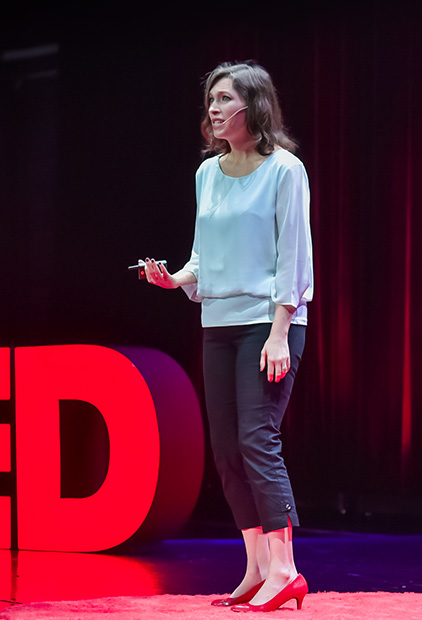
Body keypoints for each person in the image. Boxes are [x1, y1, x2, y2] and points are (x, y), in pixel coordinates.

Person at [141, 61, 313, 612]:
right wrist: (175, 278)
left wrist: (281, 331)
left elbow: (294, 258)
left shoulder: (285, 169)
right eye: (211, 100)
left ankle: (285, 570)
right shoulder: (207, 173)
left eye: (224, 99)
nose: (213, 109)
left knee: (257, 440)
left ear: (252, 106)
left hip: (268, 322)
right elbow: (203, 255)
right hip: (217, 322)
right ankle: (256, 568)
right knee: (226, 449)